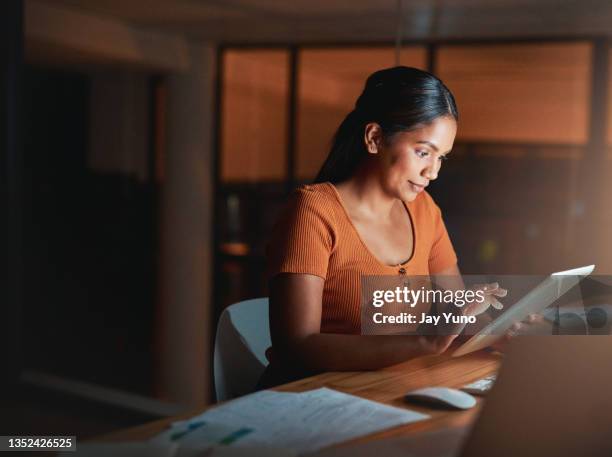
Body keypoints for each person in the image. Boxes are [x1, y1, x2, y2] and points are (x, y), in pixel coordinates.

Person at [260, 66, 505, 388]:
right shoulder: (314, 211)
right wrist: (423, 344)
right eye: (423, 152)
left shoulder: (425, 211)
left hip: (388, 389)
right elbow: (296, 346)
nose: (433, 172)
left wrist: (496, 329)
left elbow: (454, 312)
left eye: (441, 158)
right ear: (374, 138)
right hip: (311, 399)